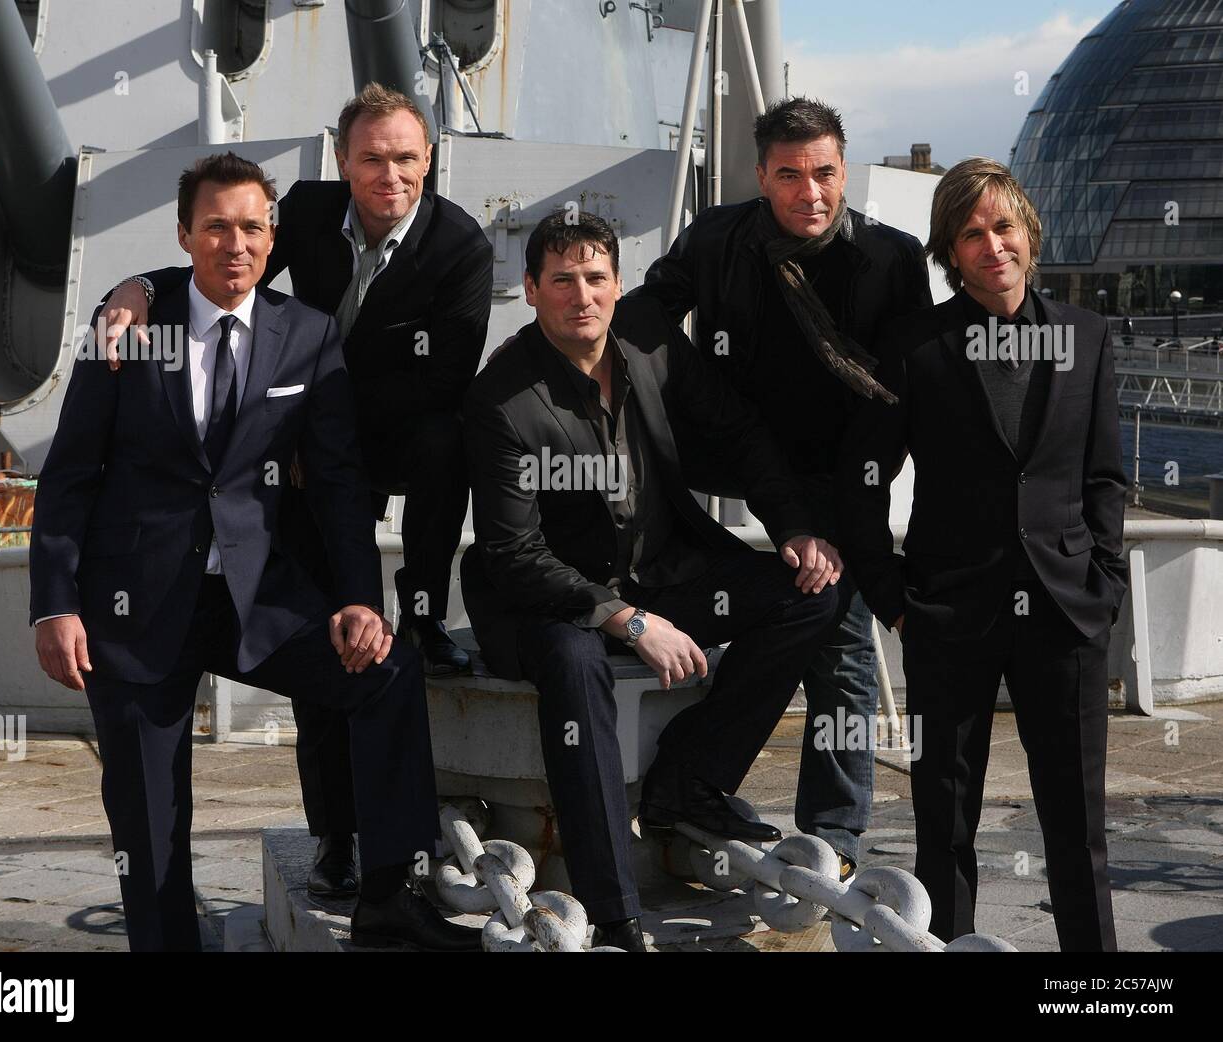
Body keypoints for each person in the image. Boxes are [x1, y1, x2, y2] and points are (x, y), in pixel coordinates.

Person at [29, 152, 478, 952]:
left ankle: (387, 896)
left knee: (385, 677)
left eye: (251, 227)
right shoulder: (128, 330)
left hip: (255, 600)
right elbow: (70, 476)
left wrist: (355, 600)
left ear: (273, 238)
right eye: (215, 227)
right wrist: (56, 603)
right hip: (133, 605)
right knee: (151, 813)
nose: (235, 244)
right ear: (184, 235)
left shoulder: (306, 337)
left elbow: (339, 483)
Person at [462, 211, 844, 952]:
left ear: (618, 285)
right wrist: (627, 620)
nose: (583, 296)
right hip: (549, 600)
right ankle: (614, 911)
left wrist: (795, 528)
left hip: (663, 571)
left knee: (811, 595)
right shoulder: (500, 401)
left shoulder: (653, 344)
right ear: (532, 291)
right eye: (563, 281)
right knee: (577, 672)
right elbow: (513, 554)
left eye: (597, 278)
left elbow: (739, 433)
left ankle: (688, 783)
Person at [633, 97, 932, 881]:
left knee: (833, 629)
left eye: (825, 173)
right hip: (731, 445)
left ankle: (832, 831)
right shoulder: (718, 240)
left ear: (845, 170)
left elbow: (901, 395)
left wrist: (836, 519)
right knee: (691, 578)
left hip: (842, 464)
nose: (811, 193)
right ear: (762, 177)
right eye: (790, 175)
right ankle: (690, 777)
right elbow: (640, 320)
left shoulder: (892, 260)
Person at [836, 158, 1126, 950]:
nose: (991, 245)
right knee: (945, 827)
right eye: (971, 233)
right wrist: (893, 599)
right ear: (950, 253)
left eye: (1003, 226)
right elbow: (861, 486)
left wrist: (1106, 586)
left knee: (1079, 830)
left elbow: (1104, 477)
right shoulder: (913, 349)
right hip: (948, 615)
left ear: (1029, 235)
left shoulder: (1087, 338)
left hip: (1068, 611)